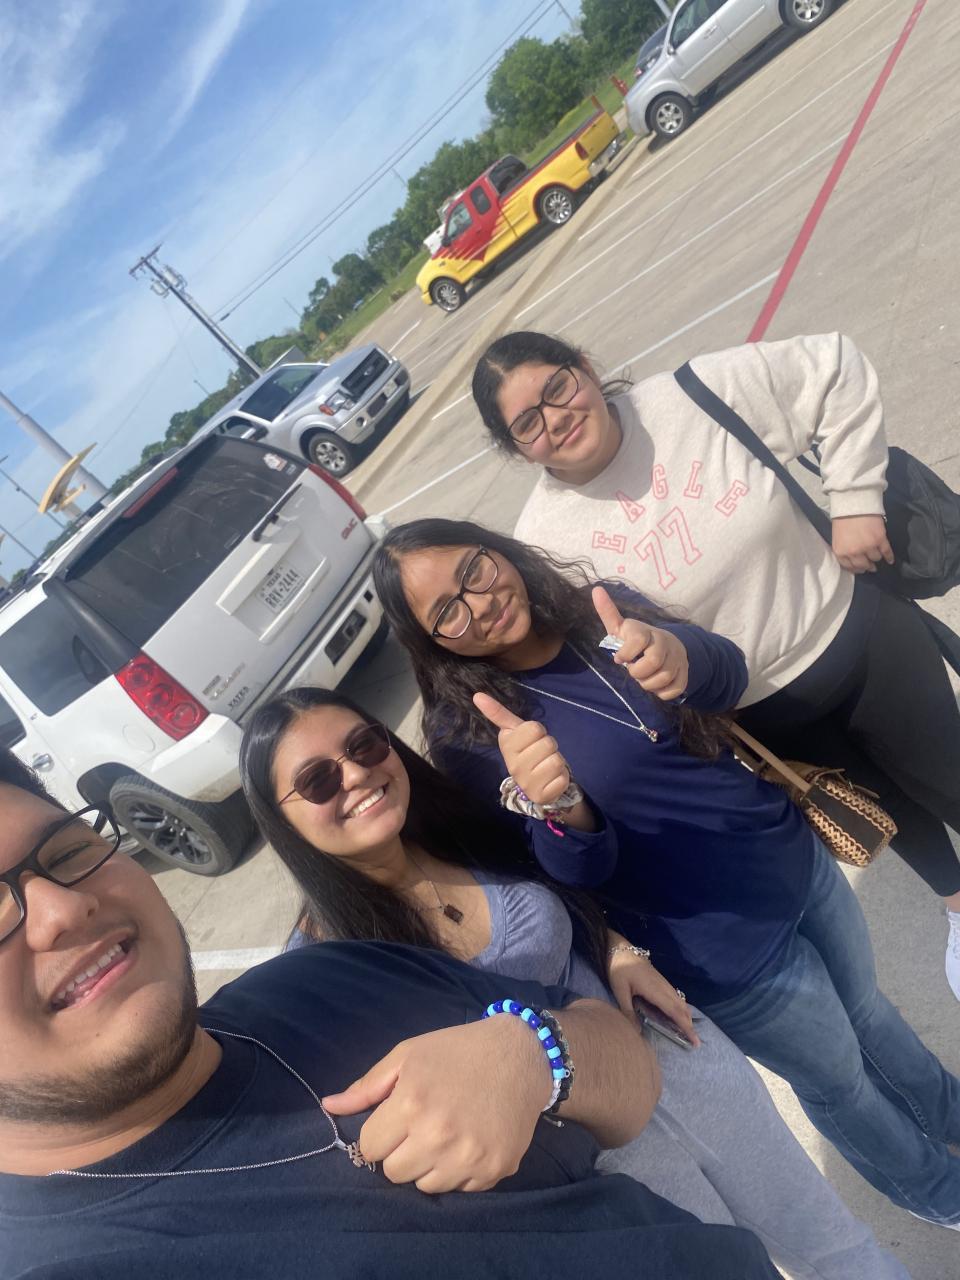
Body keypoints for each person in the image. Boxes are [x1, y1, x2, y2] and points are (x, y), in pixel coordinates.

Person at [372, 517, 960, 1232]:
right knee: (840, 1081)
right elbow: (568, 877)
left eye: (474, 570)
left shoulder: (598, 609)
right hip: (719, 948)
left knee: (870, 1012)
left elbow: (728, 678)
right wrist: (559, 805)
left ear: (496, 550)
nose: (480, 602)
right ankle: (937, 1191)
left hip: (792, 860)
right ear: (431, 641)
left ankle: (949, 1112)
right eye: (447, 611)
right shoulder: (469, 736)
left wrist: (686, 656)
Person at [0, 749, 783, 1280]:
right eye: (317, 780)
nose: (61, 910)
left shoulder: (329, 975)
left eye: (64, 851)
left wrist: (535, 1052)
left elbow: (628, 1078)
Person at [239, 684, 910, 1280]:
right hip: (601, 1164)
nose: (357, 773)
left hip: (684, 1061)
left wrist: (618, 949)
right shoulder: (327, 967)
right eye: (318, 780)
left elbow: (568, 891)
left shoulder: (456, 825)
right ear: (282, 820)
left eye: (363, 744)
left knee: (836, 1244)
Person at [470, 330, 960, 999]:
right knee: (882, 811)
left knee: (948, 774)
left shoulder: (693, 395)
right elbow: (577, 652)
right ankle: (956, 902)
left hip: (859, 637)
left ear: (583, 366)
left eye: (557, 388)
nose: (554, 419)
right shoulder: (542, 541)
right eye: (527, 423)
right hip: (759, 714)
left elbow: (836, 366)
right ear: (515, 447)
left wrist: (854, 498)